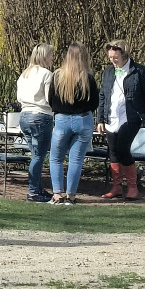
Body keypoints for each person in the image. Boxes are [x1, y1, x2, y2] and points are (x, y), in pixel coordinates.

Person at [96, 39, 145, 200]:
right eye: (110, 57)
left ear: (124, 55)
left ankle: (132, 186)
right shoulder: (109, 72)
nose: (112, 60)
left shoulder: (139, 71)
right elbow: (103, 95)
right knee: (113, 152)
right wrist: (100, 119)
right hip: (111, 117)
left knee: (123, 148)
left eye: (115, 57)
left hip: (131, 117)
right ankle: (116, 187)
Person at [46, 42, 99, 205]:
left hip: (62, 120)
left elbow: (51, 100)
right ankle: (71, 196)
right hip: (83, 120)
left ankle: (57, 194)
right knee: (76, 160)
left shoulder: (57, 76)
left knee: (56, 159)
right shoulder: (87, 78)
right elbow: (95, 102)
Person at [16, 43, 55, 203]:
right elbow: (49, 98)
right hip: (40, 116)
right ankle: (33, 191)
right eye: (51, 55)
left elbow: (19, 98)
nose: (53, 58)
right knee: (39, 156)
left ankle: (38, 189)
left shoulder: (24, 74)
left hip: (24, 115)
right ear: (45, 56)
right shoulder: (47, 74)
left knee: (35, 155)